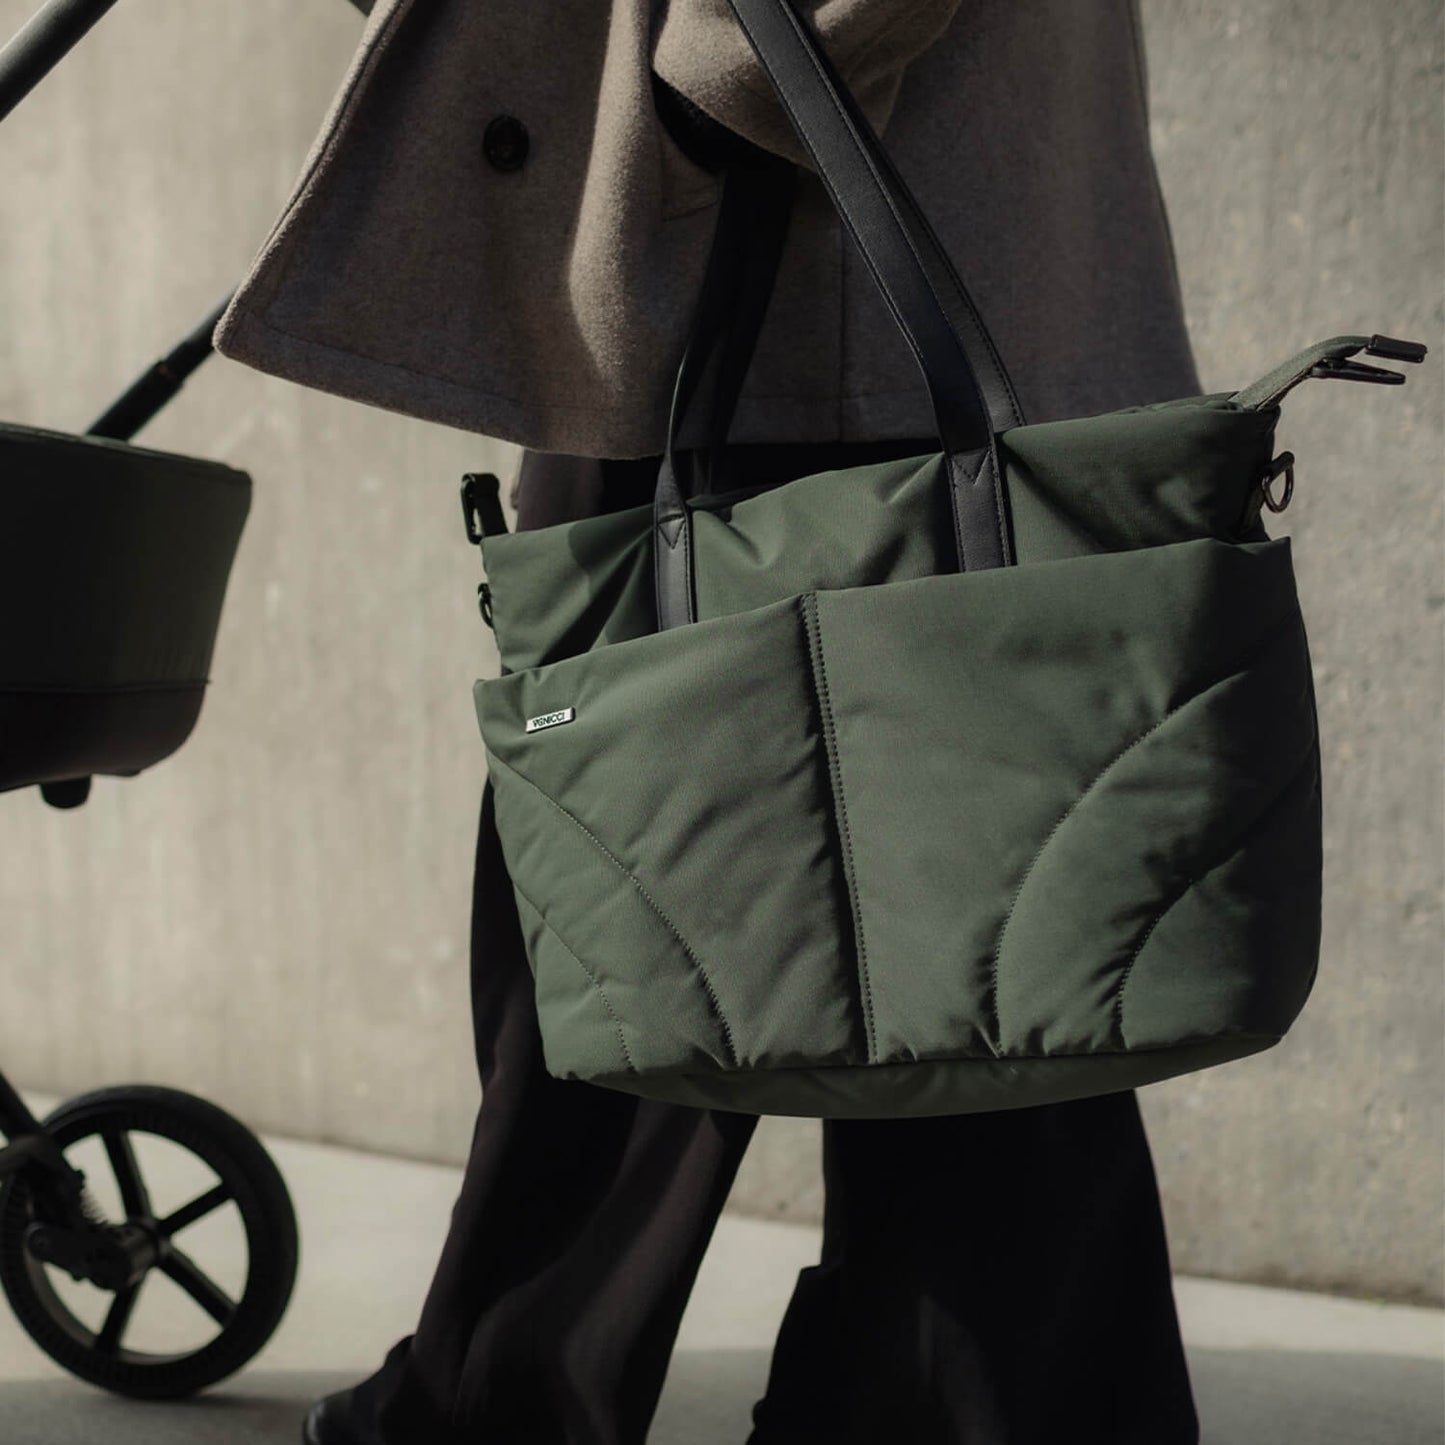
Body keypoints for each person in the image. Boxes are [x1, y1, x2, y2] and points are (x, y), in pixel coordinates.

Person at [217, 3, 1204, 1441]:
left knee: (650, 894)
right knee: (988, 908)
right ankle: (925, 1398)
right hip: (854, 243)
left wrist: (694, 100)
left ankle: (512, 1400)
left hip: (796, 245)